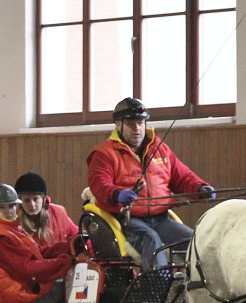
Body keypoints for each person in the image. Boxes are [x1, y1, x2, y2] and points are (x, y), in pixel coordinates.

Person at [86, 97, 216, 270]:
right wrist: (117, 194)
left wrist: (200, 188)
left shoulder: (160, 148)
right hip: (128, 220)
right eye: (131, 124)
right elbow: (99, 184)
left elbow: (182, 176)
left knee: (193, 241)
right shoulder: (104, 154)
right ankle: (154, 292)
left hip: (161, 219)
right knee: (151, 240)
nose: (137, 128)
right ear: (118, 124)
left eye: (141, 123)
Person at [0, 184, 75, 303]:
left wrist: (71, 245)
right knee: (69, 285)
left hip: (24, 287)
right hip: (19, 294)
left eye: (11, 206)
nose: (9, 211)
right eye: (2, 208)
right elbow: (26, 268)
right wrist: (64, 263)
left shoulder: (11, 228)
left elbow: (39, 254)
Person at [15, 171, 79, 253]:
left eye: (36, 199)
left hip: (58, 263)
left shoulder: (59, 213)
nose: (32, 205)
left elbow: (78, 237)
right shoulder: (14, 221)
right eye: (27, 200)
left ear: (43, 198)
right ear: (20, 201)